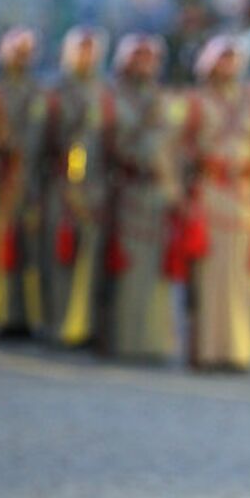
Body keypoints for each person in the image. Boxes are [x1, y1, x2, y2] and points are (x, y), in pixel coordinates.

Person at [183, 34, 250, 370]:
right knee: (210, 277)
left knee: (244, 278)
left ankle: (239, 351)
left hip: (245, 197)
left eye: (232, 57)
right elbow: (181, 150)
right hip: (209, 195)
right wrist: (180, 194)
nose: (227, 64)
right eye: (221, 57)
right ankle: (209, 351)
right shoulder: (194, 101)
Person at [105, 34, 182, 360]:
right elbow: (90, 149)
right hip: (125, 192)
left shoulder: (165, 100)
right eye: (137, 57)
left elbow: (179, 149)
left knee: (156, 273)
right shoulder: (109, 99)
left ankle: (156, 342)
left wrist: (178, 188)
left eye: (149, 57)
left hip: (159, 194)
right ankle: (123, 340)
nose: (144, 64)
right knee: (127, 270)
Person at [43, 26, 113, 347]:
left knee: (93, 257)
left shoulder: (105, 92)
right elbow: (40, 145)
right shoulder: (56, 93)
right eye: (80, 50)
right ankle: (59, 324)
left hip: (98, 185)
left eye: (91, 50)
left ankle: (87, 324)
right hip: (62, 186)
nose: (86, 56)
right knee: (62, 256)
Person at [0, 27, 46, 336]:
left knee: (28, 250)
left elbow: (49, 140)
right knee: (0, 249)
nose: (21, 58)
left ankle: (27, 317)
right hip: (2, 181)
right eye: (16, 51)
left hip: (32, 180)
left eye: (26, 52)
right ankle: (0, 316)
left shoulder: (39, 93)